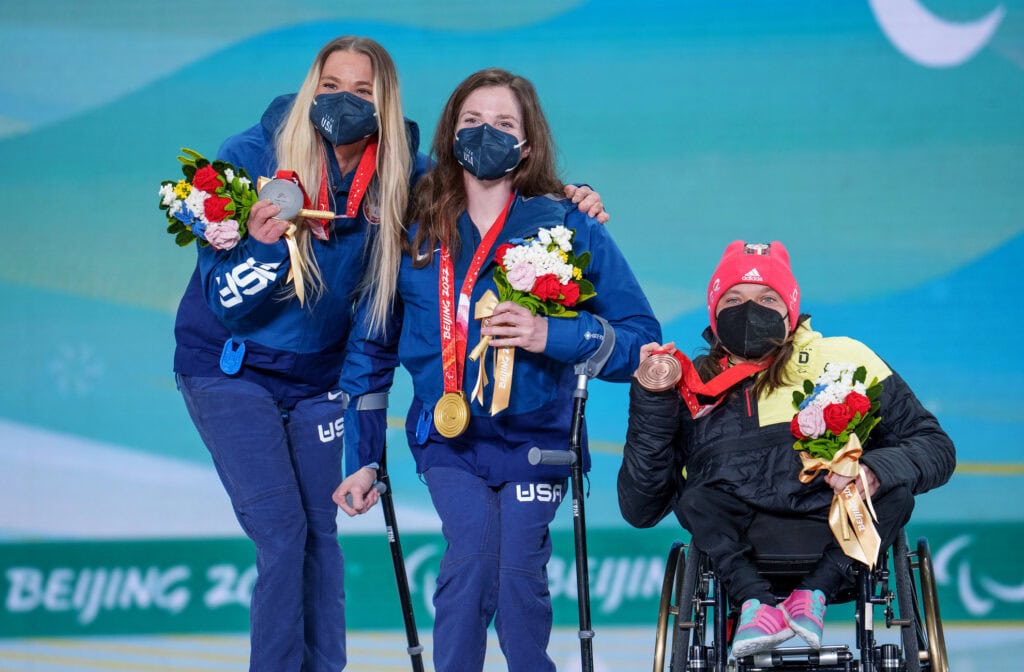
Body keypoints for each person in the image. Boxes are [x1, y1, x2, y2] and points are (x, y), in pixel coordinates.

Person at [172, 37, 605, 671]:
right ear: (309, 90)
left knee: (320, 535)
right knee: (285, 535)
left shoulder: (409, 173)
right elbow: (226, 301)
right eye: (330, 87)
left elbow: (486, 189)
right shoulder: (248, 158)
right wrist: (265, 250)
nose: (343, 102)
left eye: (361, 91)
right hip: (229, 367)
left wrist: (568, 199)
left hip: (319, 377)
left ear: (385, 102)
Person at [333, 68, 661, 672]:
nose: (487, 134)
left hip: (539, 442)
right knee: (470, 562)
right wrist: (362, 459)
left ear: (527, 145)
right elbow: (371, 351)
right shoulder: (413, 231)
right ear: (451, 134)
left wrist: (550, 334)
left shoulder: (568, 225)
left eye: (504, 124)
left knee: (517, 578)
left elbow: (642, 343)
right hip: (450, 438)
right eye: (473, 122)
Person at [617, 240, 955, 659]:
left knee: (893, 490)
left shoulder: (846, 359)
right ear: (714, 312)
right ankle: (755, 604)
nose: (749, 310)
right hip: (740, 544)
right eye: (734, 298)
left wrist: (872, 469)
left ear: (790, 309)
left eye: (767, 298)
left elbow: (935, 447)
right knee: (697, 496)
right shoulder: (691, 385)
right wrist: (653, 399)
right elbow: (641, 507)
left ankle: (812, 593)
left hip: (835, 530)